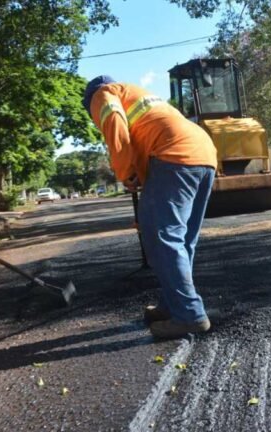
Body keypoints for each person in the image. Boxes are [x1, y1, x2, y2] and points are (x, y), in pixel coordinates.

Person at [82, 76, 217, 339]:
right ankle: (171, 305)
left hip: (175, 155)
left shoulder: (103, 94)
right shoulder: (139, 95)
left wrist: (124, 172)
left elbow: (114, 123)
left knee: (164, 238)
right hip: (204, 154)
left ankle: (190, 314)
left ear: (90, 101)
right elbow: (149, 137)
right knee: (182, 240)